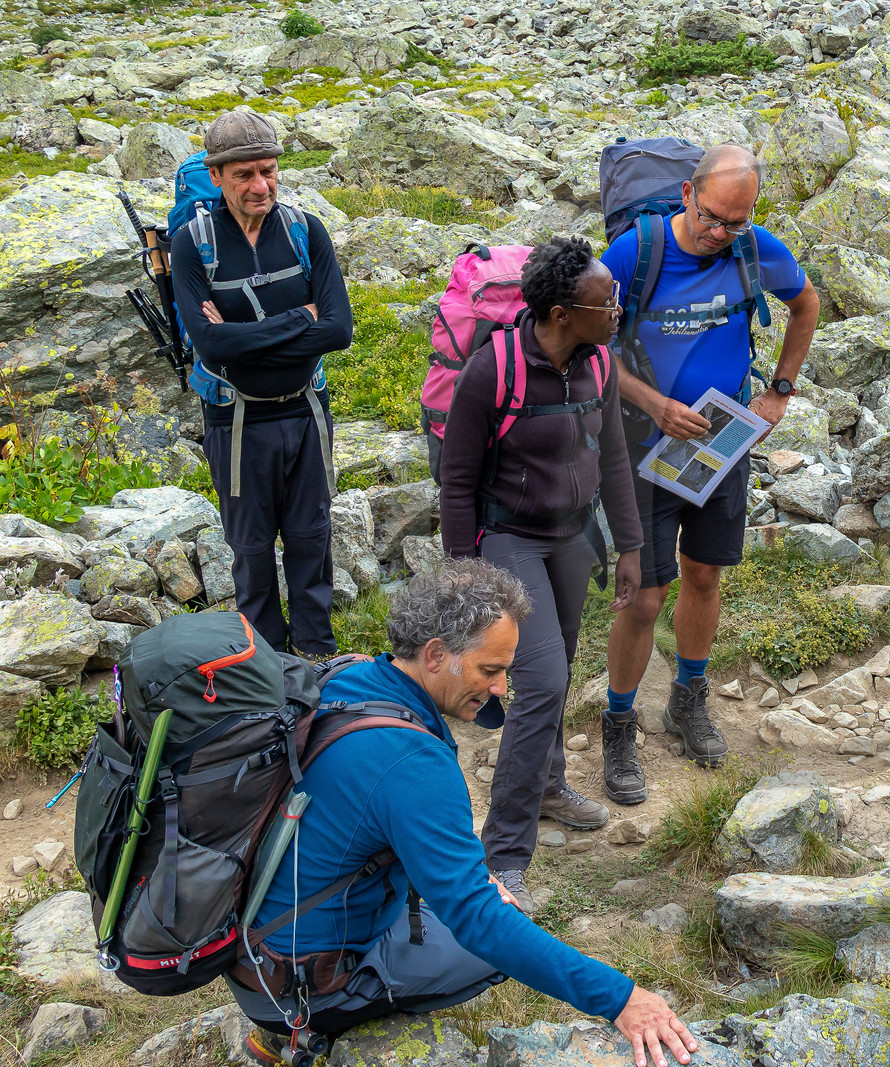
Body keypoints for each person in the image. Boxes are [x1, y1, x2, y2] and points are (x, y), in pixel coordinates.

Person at [230, 559, 699, 1067]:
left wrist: (471, 886)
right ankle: (299, 1036)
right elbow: (481, 924)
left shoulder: (350, 676)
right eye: (490, 670)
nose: (501, 689)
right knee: (501, 929)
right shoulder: (412, 762)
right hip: (298, 987)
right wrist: (622, 998)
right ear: (435, 654)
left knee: (478, 899)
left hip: (253, 949)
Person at [438, 238, 644, 913]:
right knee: (545, 680)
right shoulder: (490, 372)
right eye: (605, 301)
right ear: (561, 313)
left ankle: (550, 784)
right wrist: (465, 577)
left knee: (555, 670)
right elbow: (458, 482)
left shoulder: (601, 364)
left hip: (573, 539)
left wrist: (631, 548)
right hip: (509, 539)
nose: (617, 308)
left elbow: (613, 458)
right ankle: (504, 853)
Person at [600, 144, 819, 772]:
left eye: (737, 222)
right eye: (713, 218)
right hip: (642, 447)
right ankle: (619, 722)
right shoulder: (634, 254)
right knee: (643, 596)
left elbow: (805, 305)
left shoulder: (754, 248)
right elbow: (592, 350)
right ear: (690, 193)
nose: (721, 233)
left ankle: (688, 697)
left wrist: (780, 389)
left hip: (722, 443)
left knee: (703, 574)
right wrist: (654, 403)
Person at [170, 110, 352, 659]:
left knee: (310, 537)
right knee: (250, 548)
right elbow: (210, 346)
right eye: (245, 174)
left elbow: (339, 330)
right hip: (237, 418)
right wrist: (302, 320)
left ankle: (317, 655)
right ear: (217, 176)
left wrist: (244, 334)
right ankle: (266, 660)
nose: (260, 186)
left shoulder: (304, 230)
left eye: (268, 171)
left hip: (304, 410)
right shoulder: (191, 243)